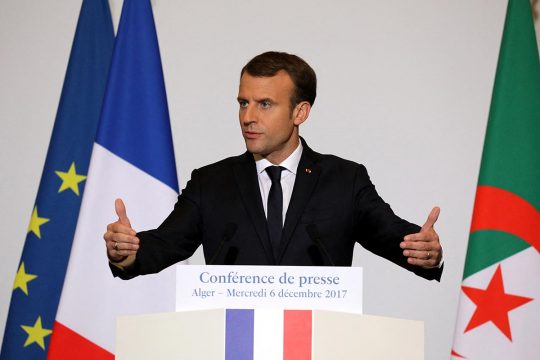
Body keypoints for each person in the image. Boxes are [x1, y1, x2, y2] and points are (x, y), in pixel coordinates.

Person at [104, 51, 443, 281]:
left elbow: (397, 238)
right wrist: (126, 252)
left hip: (318, 343)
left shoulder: (345, 181)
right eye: (243, 103)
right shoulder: (211, 183)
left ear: (300, 112)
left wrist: (428, 252)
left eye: (265, 104)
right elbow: (164, 244)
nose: (248, 117)